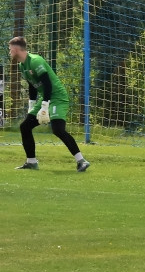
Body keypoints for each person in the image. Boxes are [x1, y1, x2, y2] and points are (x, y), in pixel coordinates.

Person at [8, 36, 89, 172]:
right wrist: (32, 105)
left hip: (57, 96)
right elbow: (32, 85)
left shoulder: (35, 61)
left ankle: (82, 161)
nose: (9, 52)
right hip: (45, 97)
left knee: (58, 129)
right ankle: (31, 162)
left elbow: (48, 84)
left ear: (16, 49)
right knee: (25, 126)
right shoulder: (22, 65)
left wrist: (45, 106)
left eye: (10, 49)